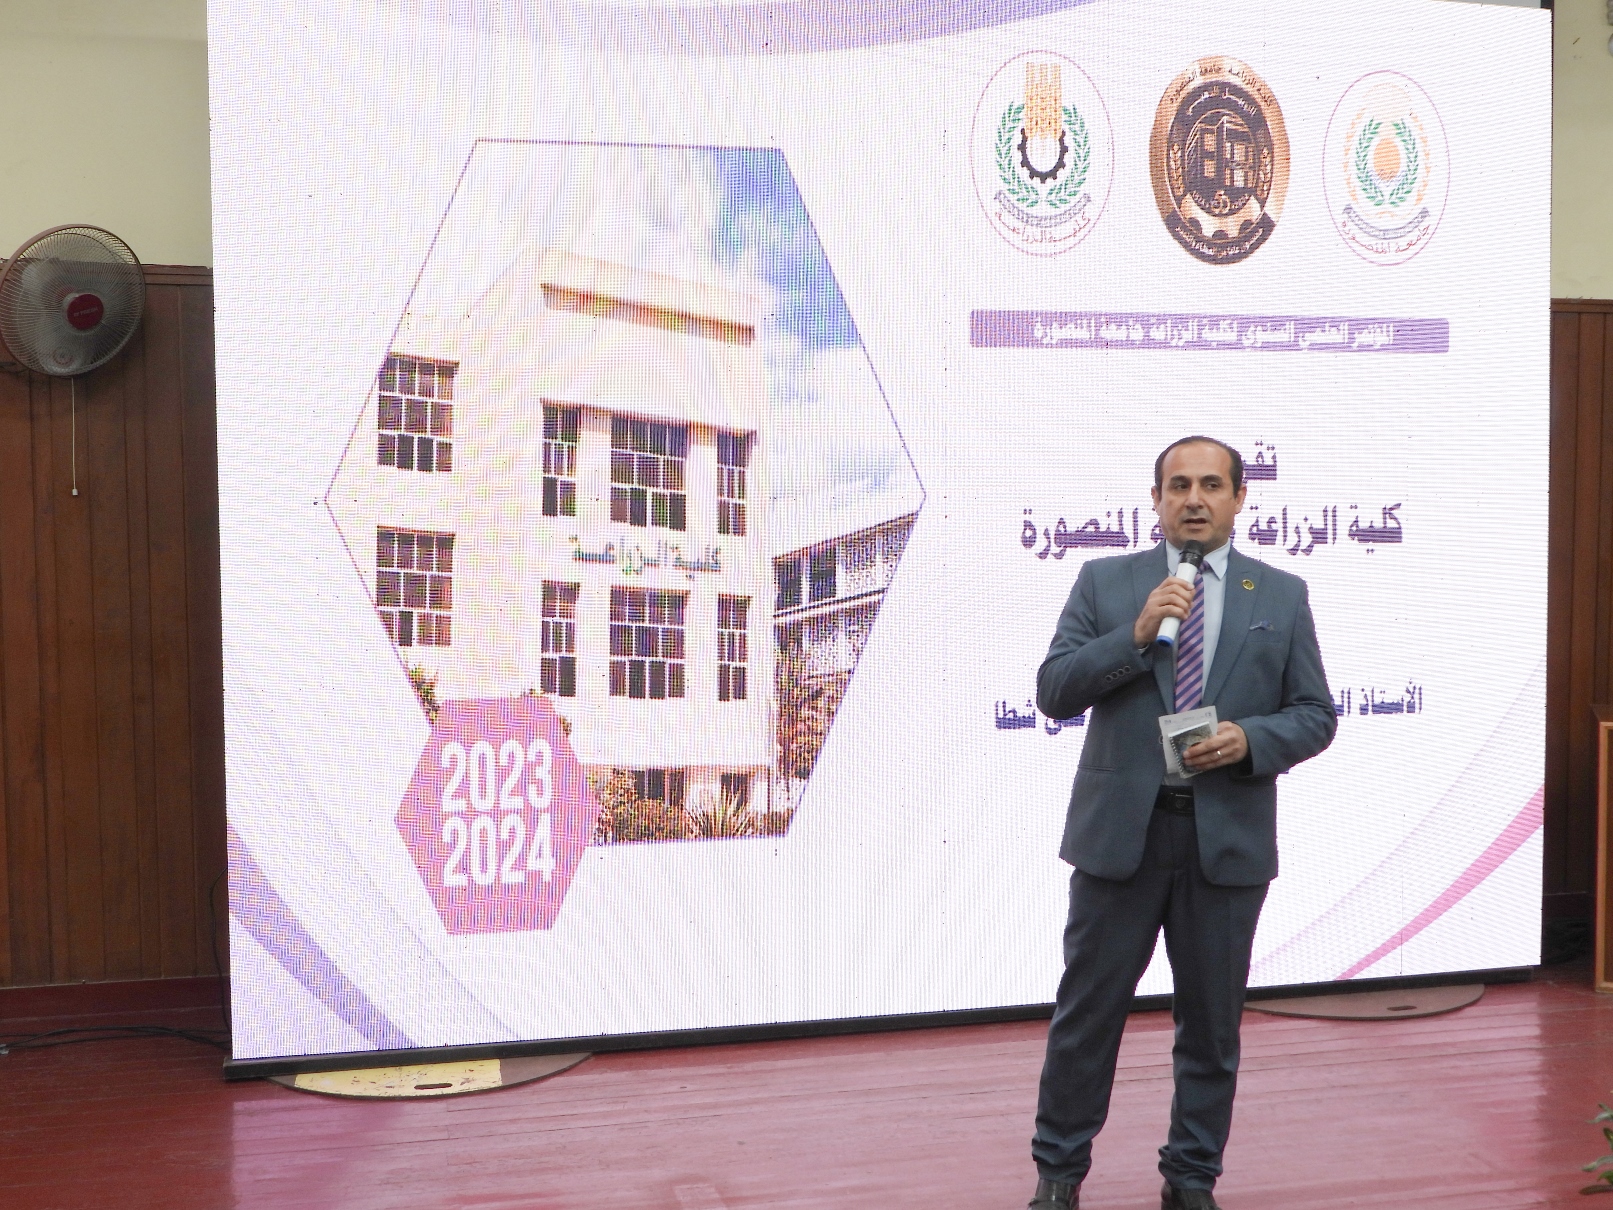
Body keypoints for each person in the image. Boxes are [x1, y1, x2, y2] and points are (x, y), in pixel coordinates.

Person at [1024, 437, 1336, 1210]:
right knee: (1086, 1018)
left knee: (1211, 1027)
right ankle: (1057, 1175)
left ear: (1238, 498)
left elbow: (1314, 714)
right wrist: (1133, 637)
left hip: (1223, 841)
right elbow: (1054, 691)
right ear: (1155, 499)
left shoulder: (1280, 594)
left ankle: (1191, 1180)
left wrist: (1249, 740)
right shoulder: (1106, 582)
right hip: (1119, 841)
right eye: (1177, 486)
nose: (1193, 499)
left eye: (1210, 485)